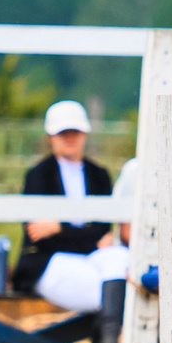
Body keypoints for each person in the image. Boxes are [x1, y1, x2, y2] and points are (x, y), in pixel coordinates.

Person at [13, 99, 129, 314]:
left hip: (89, 256)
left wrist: (59, 228)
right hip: (50, 260)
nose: (70, 138)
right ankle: (106, 342)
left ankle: (107, 342)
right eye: (63, 133)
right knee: (102, 290)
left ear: (84, 134)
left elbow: (102, 228)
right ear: (50, 138)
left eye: (75, 132)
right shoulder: (38, 176)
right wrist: (88, 238)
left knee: (120, 259)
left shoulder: (98, 174)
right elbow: (39, 236)